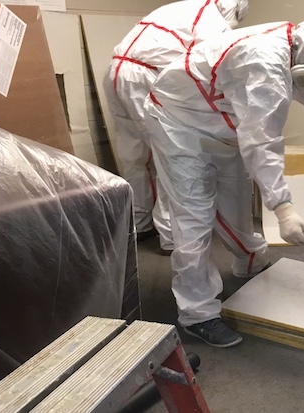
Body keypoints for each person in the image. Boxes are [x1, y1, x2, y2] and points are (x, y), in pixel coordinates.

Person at [143, 16, 304, 347]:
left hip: (221, 122)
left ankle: (249, 260)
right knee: (194, 219)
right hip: (180, 127)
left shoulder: (295, 48)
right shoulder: (264, 65)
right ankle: (198, 315)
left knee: (236, 202)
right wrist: (283, 208)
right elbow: (261, 142)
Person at [103, 0, 249, 255]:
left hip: (117, 70)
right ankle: (171, 236)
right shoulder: (212, 16)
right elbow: (215, 64)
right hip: (147, 76)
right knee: (171, 156)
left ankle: (139, 223)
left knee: (135, 154)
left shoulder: (182, 7)